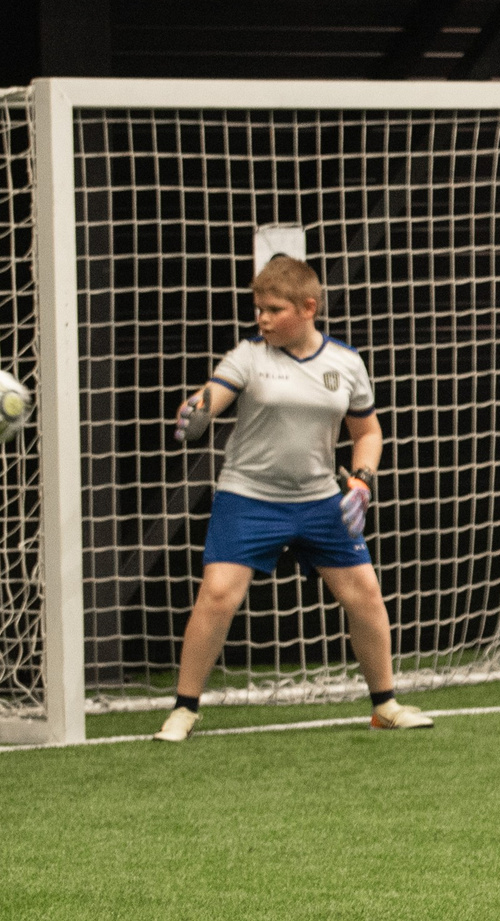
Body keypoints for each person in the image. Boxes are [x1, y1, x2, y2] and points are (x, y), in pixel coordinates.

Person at [155, 255, 435, 743]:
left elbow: (367, 431)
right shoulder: (248, 356)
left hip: (320, 500)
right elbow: (211, 397)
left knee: (365, 594)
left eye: (273, 309)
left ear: (308, 308)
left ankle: (384, 705)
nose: (261, 318)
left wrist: (363, 480)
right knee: (218, 595)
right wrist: (195, 413)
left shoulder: (346, 363)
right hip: (248, 497)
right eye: (258, 308)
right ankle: (184, 709)